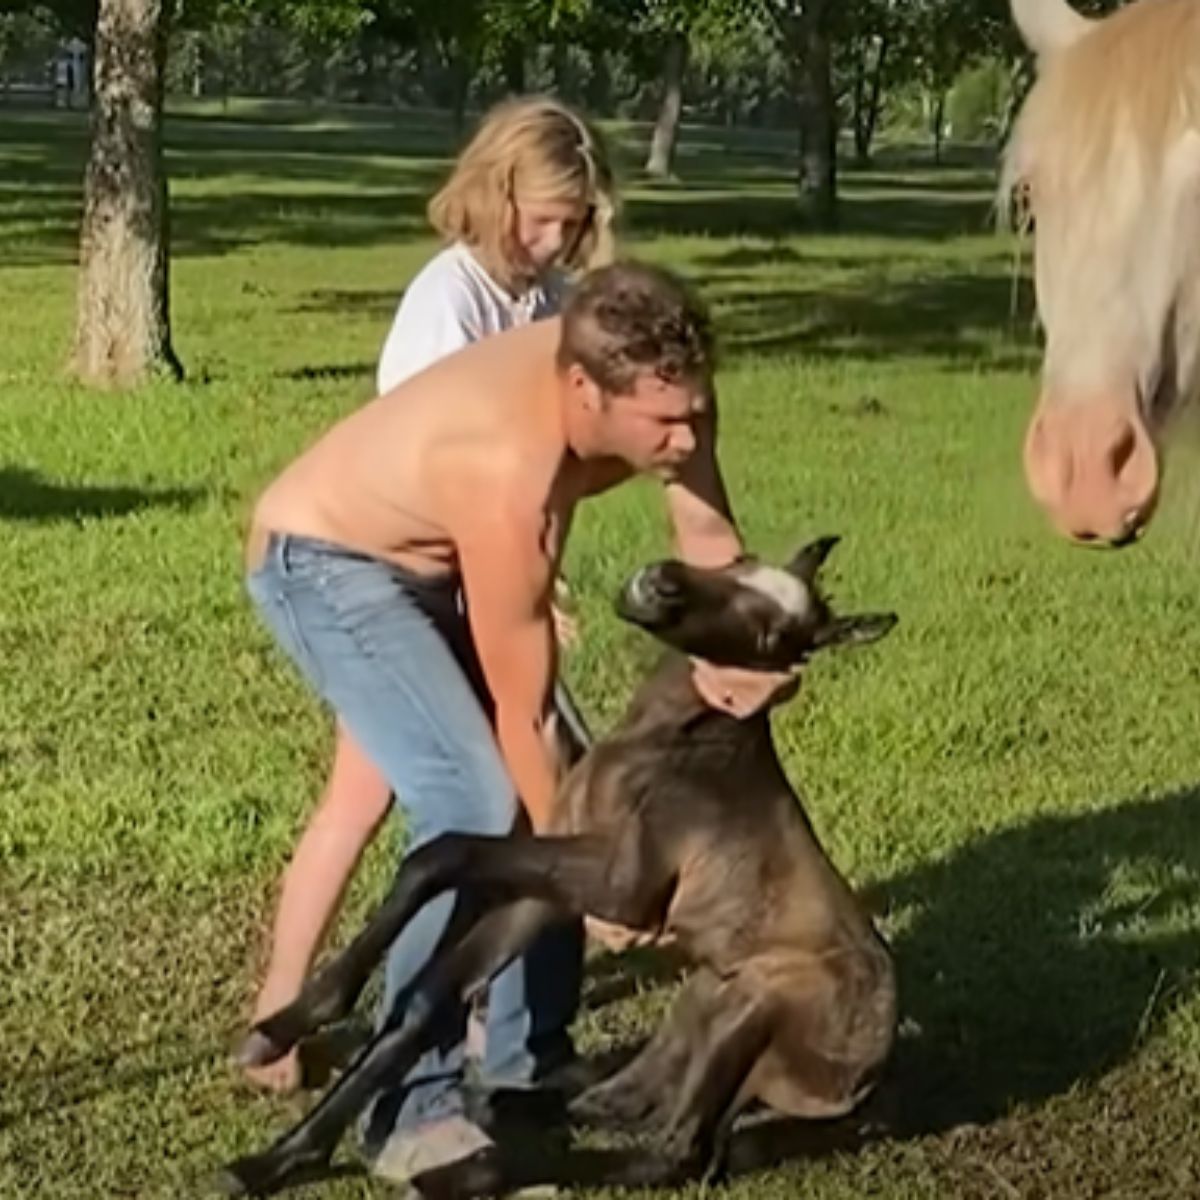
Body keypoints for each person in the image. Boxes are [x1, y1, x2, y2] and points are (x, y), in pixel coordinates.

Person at [243, 261, 795, 1191]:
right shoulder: (509, 470)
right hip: (328, 564)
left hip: (434, 558)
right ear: (584, 390)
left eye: (696, 414)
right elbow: (523, 709)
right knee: (482, 799)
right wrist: (598, 879)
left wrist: (746, 651)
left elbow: (710, 551)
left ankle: (525, 1060)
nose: (688, 434)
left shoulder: (665, 387)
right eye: (666, 423)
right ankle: (406, 1116)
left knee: (573, 790)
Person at [243, 95, 617, 1095]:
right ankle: (314, 1032)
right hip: (393, 584)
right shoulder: (448, 299)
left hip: (470, 588)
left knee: (384, 794)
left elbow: (552, 478)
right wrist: (514, 597)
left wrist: (543, 584)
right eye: (542, 216)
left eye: (573, 222)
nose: (553, 238)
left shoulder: (550, 306)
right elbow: (448, 468)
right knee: (464, 795)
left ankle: (508, 1040)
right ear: (495, 193)